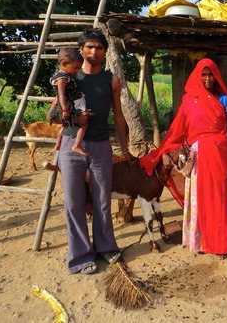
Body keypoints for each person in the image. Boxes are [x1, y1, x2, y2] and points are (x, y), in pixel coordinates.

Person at [139, 58, 227, 260]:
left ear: (217, 76)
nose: (208, 78)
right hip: (199, 157)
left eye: (211, 74)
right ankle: (200, 240)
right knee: (200, 198)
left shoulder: (223, 100)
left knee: (218, 199)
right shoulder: (189, 100)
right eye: (204, 74)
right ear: (197, 76)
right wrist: (166, 150)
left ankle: (220, 243)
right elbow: (178, 131)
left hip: (220, 155)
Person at [56, 28, 136, 275]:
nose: (94, 52)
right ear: (81, 50)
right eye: (89, 47)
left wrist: (125, 149)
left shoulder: (112, 80)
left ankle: (106, 247)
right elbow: (53, 115)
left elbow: (120, 117)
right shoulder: (69, 77)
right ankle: (80, 256)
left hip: (101, 145)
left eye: (99, 48)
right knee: (74, 202)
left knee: (102, 200)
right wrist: (74, 118)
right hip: (71, 147)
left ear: (105, 52)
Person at [49, 47, 88, 155]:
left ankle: (58, 144)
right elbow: (61, 94)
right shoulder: (62, 78)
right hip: (70, 104)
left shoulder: (62, 76)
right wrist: (65, 109)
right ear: (64, 63)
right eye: (75, 68)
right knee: (84, 124)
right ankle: (77, 145)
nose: (77, 71)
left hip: (68, 103)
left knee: (64, 125)